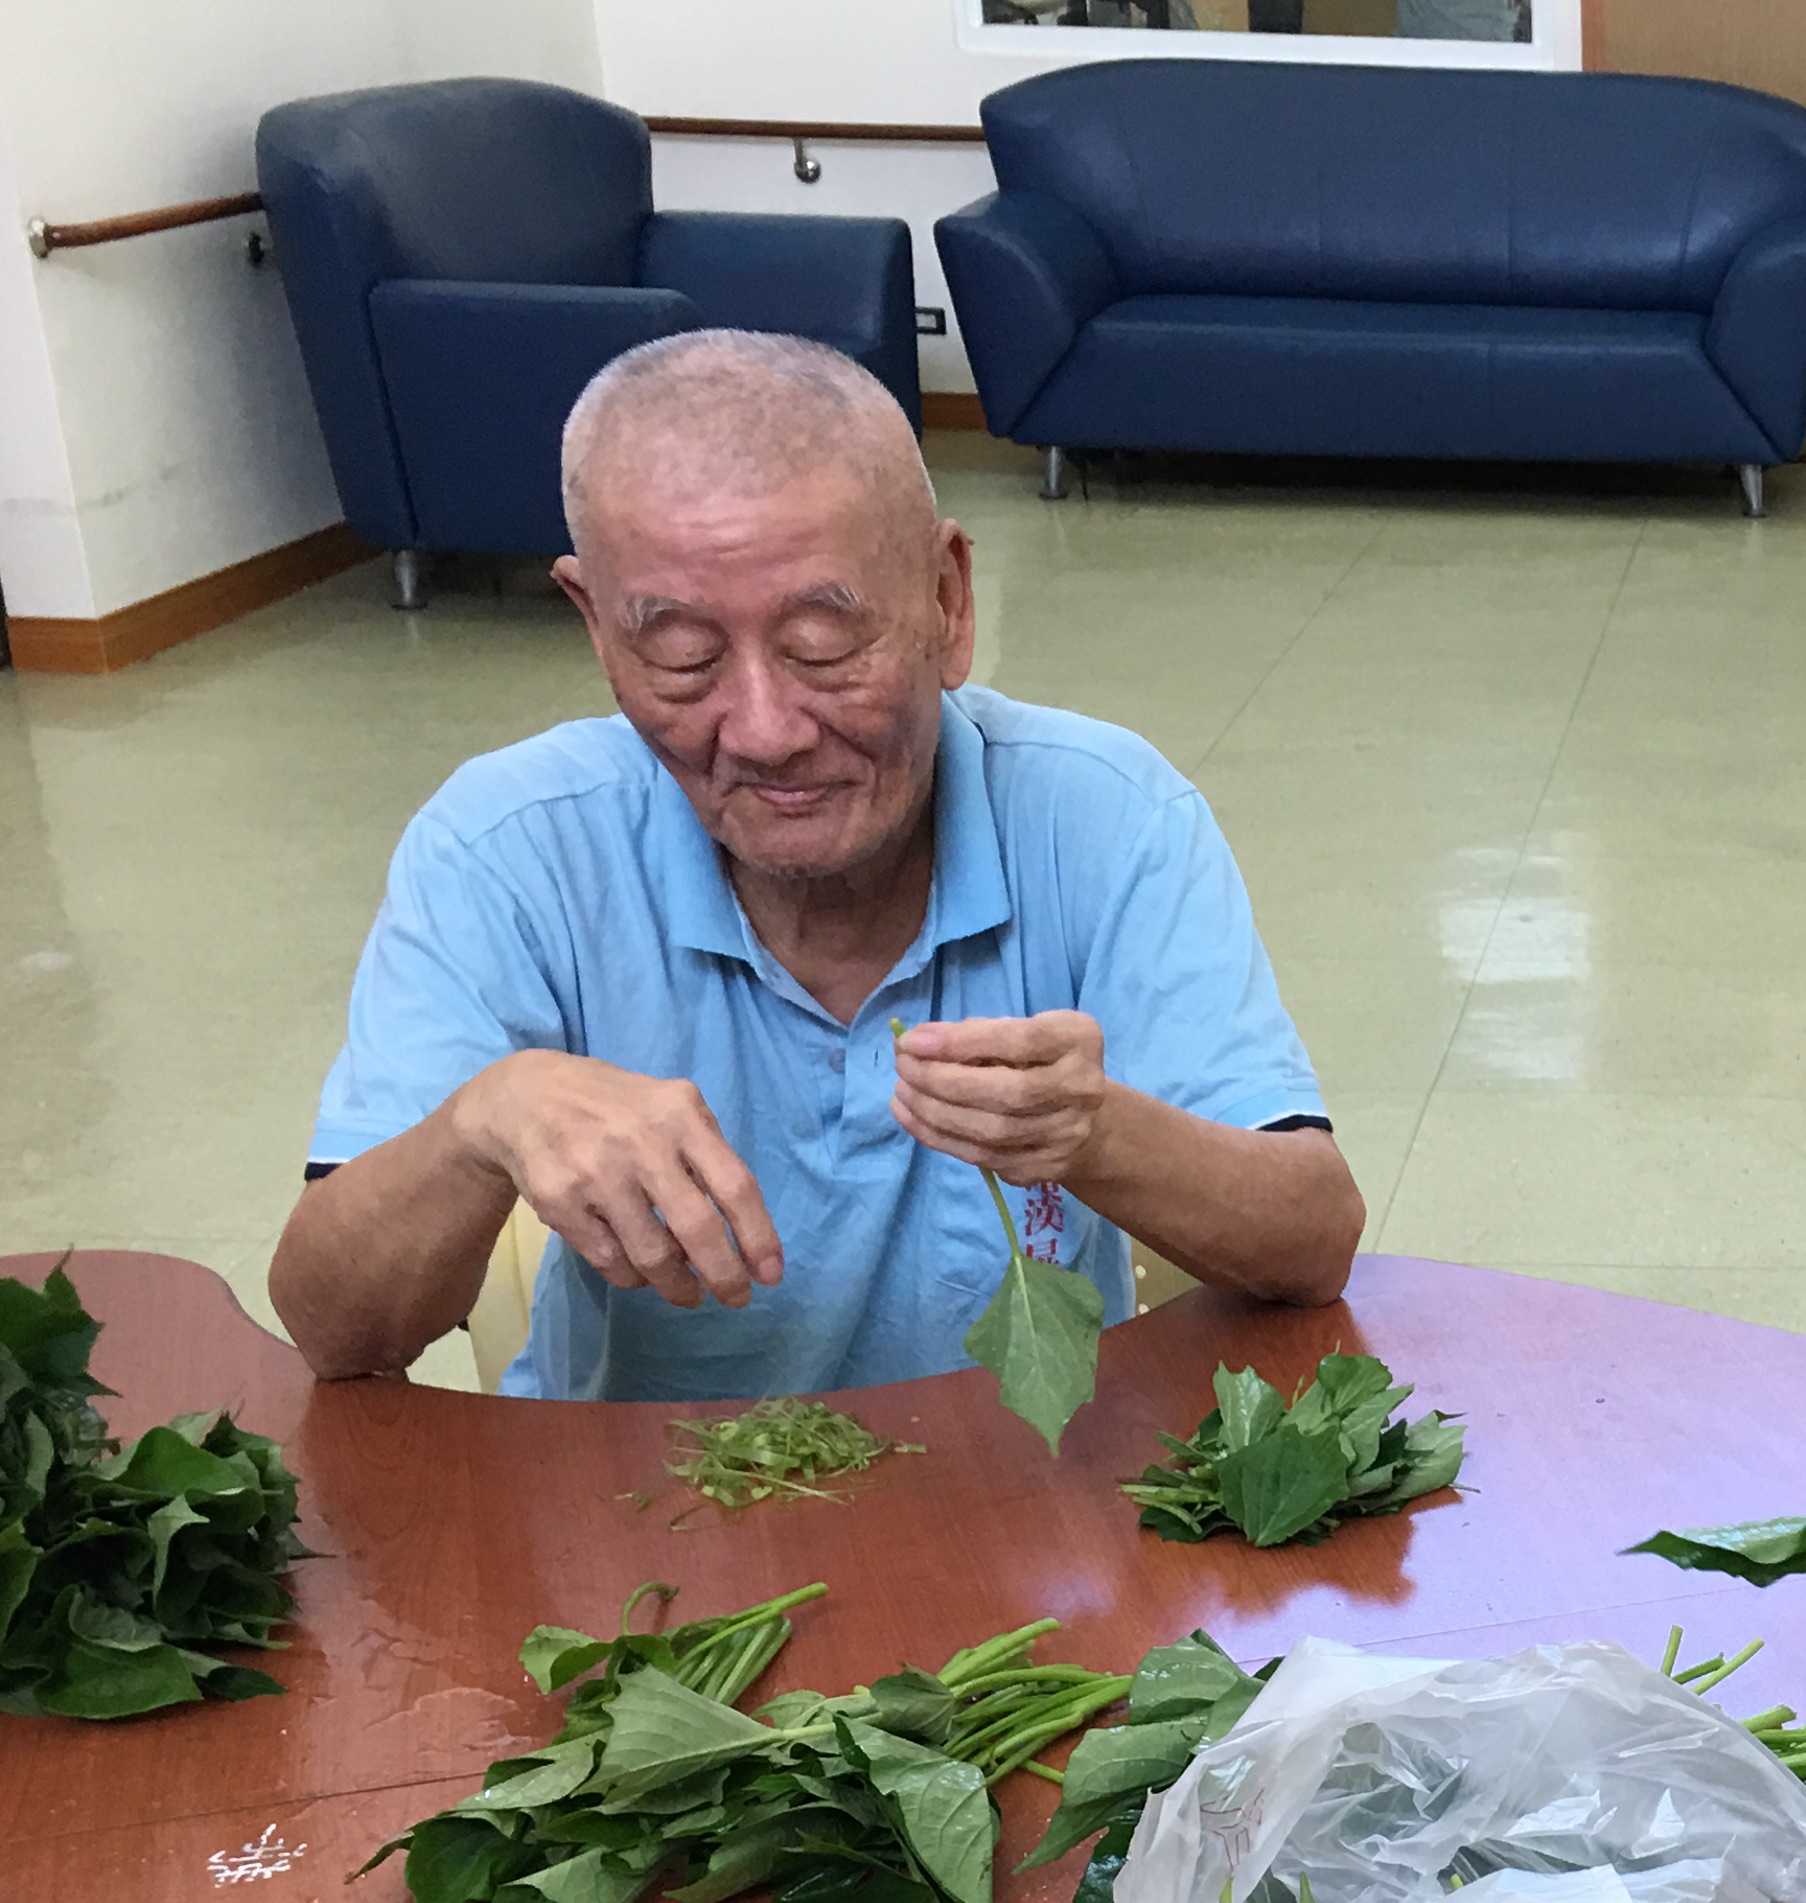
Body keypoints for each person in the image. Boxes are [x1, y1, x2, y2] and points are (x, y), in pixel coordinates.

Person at [275, 329, 1363, 1398]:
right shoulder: (509, 846)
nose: (764, 731)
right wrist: (483, 1124)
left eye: (822, 648)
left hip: (1015, 1503)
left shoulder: (1105, 816)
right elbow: (335, 1331)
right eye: (682, 655)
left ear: (948, 600)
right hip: (631, 1523)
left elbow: (1311, 1244)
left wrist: (1100, 1132)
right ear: (597, 629)